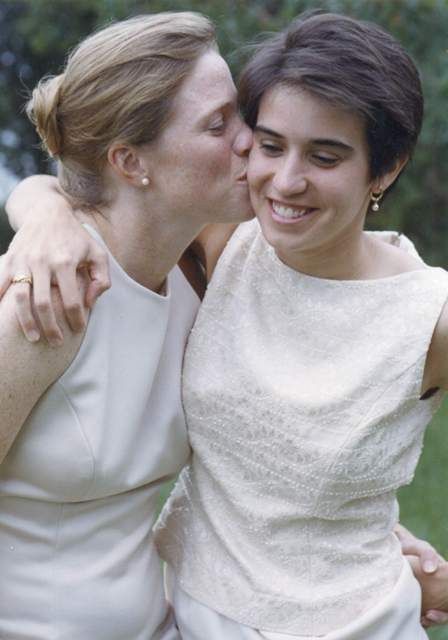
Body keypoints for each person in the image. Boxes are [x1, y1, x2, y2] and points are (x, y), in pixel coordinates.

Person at [2, 10, 448, 639]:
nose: (268, 163)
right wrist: (40, 208)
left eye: (324, 156)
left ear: (386, 168)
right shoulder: (85, 284)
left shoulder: (424, 315)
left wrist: (375, 541)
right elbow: (88, 185)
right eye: (241, 132)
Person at [0, 11, 253, 639]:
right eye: (219, 125)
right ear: (131, 161)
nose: (250, 139)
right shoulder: (49, 299)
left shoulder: (199, 267)